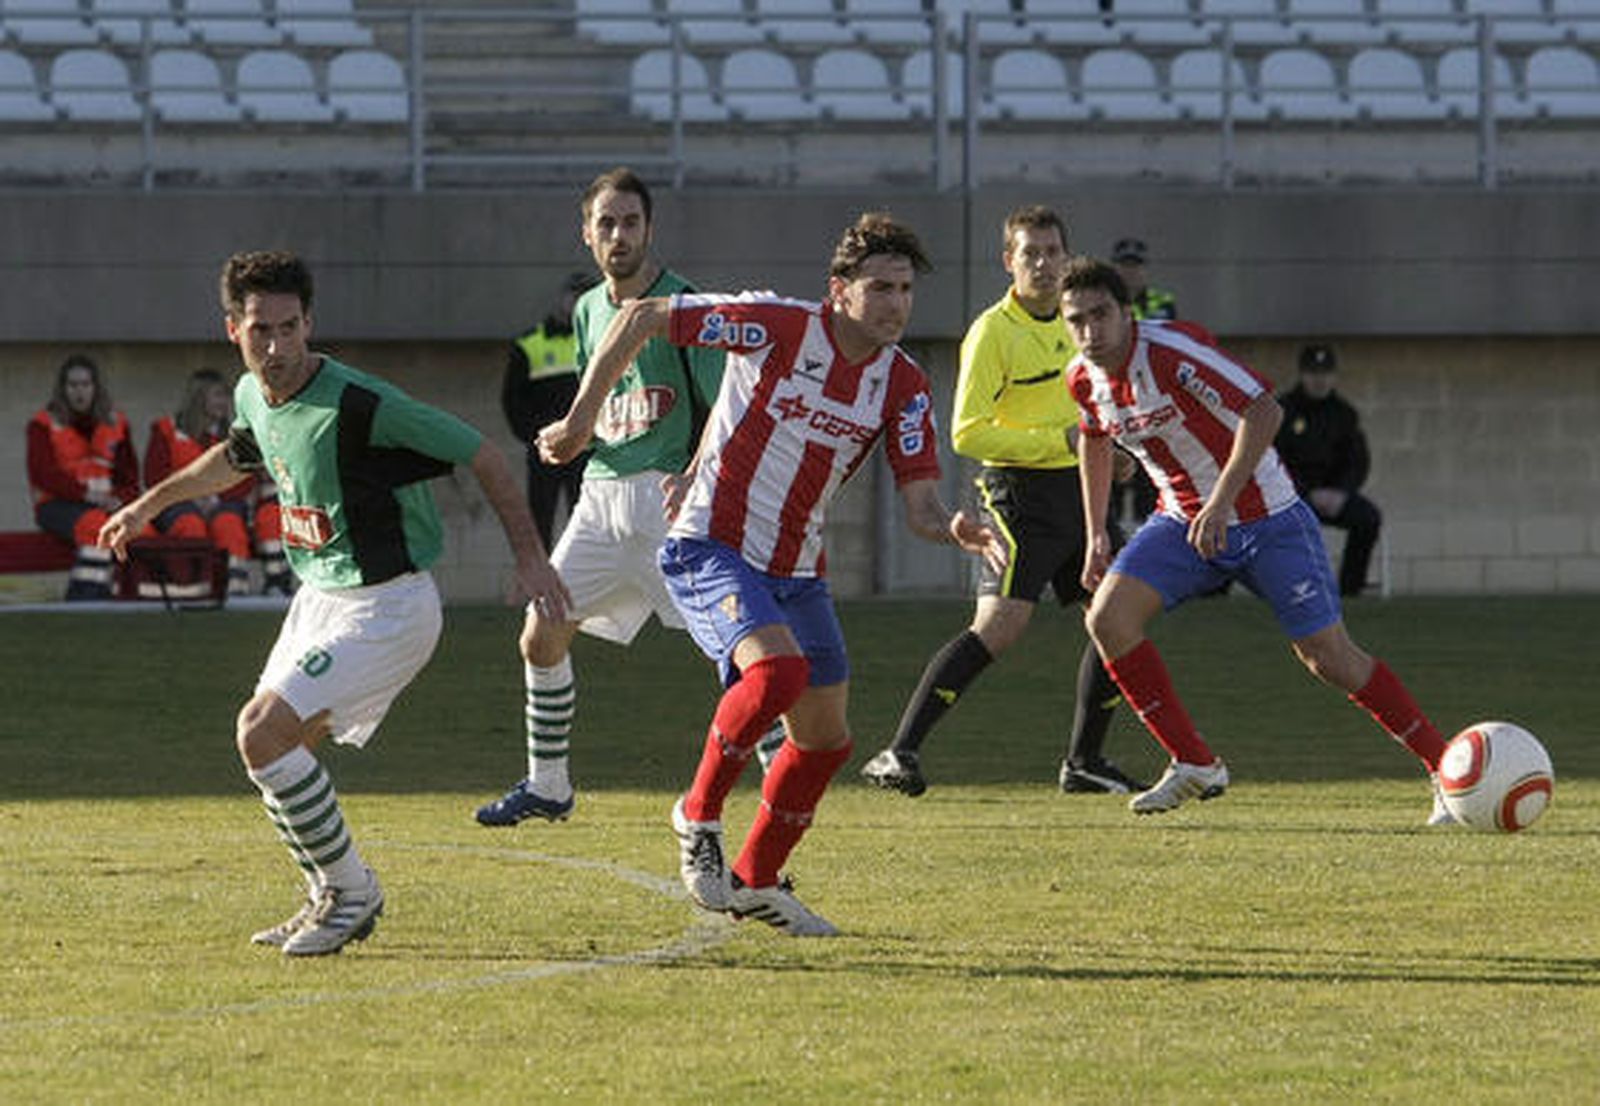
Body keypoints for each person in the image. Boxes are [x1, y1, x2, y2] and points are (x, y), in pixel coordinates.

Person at [538, 212, 1007, 935]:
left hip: (798, 570)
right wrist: (580, 423)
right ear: (839, 290)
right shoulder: (775, 325)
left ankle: (756, 879)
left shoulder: (904, 384)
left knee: (825, 739)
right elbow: (640, 316)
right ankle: (696, 813)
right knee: (778, 677)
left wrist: (951, 527)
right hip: (710, 546)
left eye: (906, 290)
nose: (896, 304)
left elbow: (919, 505)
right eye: (880, 288)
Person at [98, 250, 570, 957]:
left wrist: (531, 558)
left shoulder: (359, 403)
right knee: (273, 751)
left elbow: (483, 454)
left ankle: (353, 892)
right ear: (234, 330)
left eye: (290, 328)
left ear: (309, 323)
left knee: (260, 732)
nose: (277, 347)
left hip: (389, 607)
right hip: (319, 596)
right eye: (261, 330)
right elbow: (235, 456)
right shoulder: (253, 394)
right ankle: (327, 890)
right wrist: (148, 505)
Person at [1059, 257, 1454, 823]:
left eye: (1100, 315)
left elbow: (1264, 411)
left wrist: (1221, 502)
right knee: (1108, 618)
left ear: (1126, 313)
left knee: (1328, 658)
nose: (1090, 331)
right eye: (1076, 320)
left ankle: (1445, 768)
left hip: (1269, 519)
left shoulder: (1171, 353)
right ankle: (1194, 762)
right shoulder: (1081, 377)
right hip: (1182, 523)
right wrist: (1097, 530)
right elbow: (1094, 440)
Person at [474, 167, 785, 830]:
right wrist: (570, 437)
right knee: (541, 635)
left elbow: (726, 406)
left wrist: (697, 476)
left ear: (650, 229)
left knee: (740, 649)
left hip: (665, 505)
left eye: (631, 222)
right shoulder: (588, 310)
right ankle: (549, 785)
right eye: (607, 223)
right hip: (599, 500)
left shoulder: (685, 305)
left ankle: (785, 778)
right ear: (586, 234)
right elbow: (610, 403)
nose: (619, 235)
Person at [859, 205, 1143, 799]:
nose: (1043, 264)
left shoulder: (1079, 325)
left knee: (1117, 617)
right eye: (1030, 253)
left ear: (1067, 256)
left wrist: (1113, 449)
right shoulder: (992, 331)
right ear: (1008, 261)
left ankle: (1085, 762)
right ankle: (898, 751)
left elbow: (1097, 406)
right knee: (1000, 625)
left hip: (1079, 492)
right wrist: (1056, 441)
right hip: (1018, 494)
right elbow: (967, 432)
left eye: (1052, 251)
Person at [144, 368, 291, 596]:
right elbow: (154, 477)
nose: (224, 402)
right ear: (198, 398)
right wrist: (191, 497)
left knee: (229, 523)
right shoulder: (166, 430)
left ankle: (234, 590)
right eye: (217, 395)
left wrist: (215, 497)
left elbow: (244, 479)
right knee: (190, 524)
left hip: (223, 502)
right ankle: (194, 588)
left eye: (226, 396)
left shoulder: (235, 435)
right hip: (175, 504)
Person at [26, 353, 143, 600]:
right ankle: (86, 597)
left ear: (95, 387)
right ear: (63, 389)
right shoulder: (43, 424)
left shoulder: (117, 422)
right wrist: (87, 495)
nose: (79, 391)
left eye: (85, 384)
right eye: (73, 385)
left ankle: (98, 595)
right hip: (57, 505)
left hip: (107, 504)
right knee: (98, 527)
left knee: (139, 529)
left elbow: (130, 476)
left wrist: (119, 499)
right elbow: (43, 475)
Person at [1275, 342, 1383, 598]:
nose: (1319, 380)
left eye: (1325, 374)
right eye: (1313, 373)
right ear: (1302, 374)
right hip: (1294, 497)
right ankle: (1293, 590)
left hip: (1335, 496)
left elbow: (1357, 461)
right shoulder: (1282, 411)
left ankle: (1350, 589)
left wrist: (1341, 492)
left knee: (1368, 518)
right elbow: (1274, 461)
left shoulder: (1345, 414)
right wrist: (1306, 492)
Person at [501, 269, 596, 550]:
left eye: (587, 298)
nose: (579, 304)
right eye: (575, 296)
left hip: (587, 448)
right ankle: (541, 575)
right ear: (563, 299)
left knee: (586, 521)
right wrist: (534, 437)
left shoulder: (599, 343)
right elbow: (512, 399)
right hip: (545, 450)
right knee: (540, 519)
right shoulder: (529, 343)